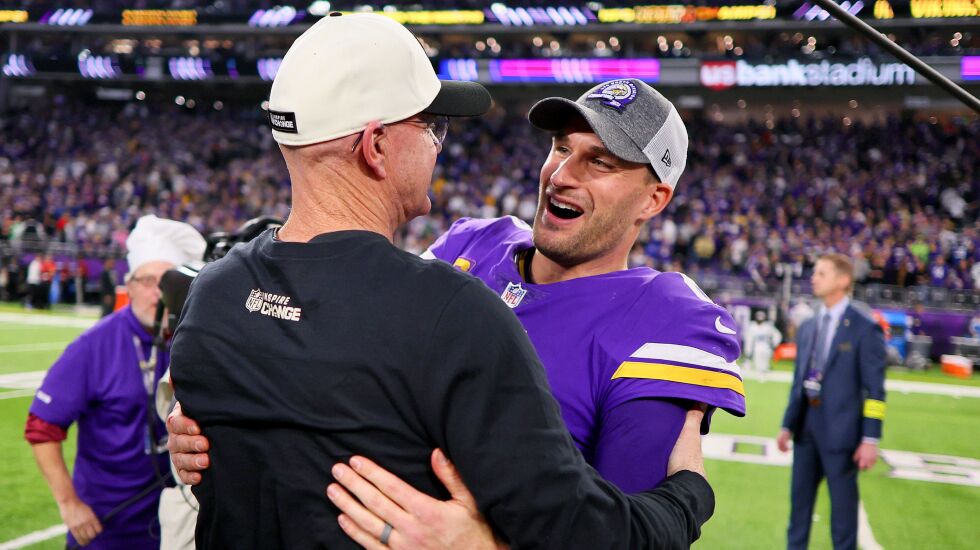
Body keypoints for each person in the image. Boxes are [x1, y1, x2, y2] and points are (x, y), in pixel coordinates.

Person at [168, 13, 715, 550]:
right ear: (375, 145)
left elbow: (334, 339)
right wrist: (689, 494)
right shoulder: (460, 285)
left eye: (601, 162)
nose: (562, 173)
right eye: (561, 147)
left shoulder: (214, 291)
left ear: (654, 198)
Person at [25, 215, 206, 549]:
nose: (157, 292)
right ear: (129, 286)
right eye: (147, 280)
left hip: (177, 524)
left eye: (166, 282)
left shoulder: (195, 343)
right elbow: (41, 426)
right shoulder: (93, 346)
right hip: (106, 527)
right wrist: (69, 504)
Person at [776, 253, 887, 550]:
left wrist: (870, 439)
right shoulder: (808, 326)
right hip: (805, 430)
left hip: (842, 434)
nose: (813, 278)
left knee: (843, 521)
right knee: (798, 515)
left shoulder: (865, 328)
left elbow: (875, 390)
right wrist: (787, 425)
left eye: (821, 273)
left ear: (843, 280)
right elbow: (799, 382)